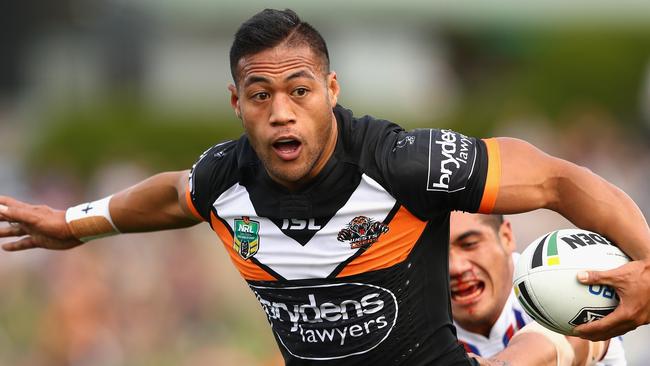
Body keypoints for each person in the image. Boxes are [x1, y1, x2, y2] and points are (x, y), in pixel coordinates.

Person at [0, 8, 649, 365]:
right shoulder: (224, 180)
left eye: (300, 91)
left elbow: (559, 179)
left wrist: (649, 265)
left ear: (331, 92)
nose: (281, 111)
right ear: (236, 102)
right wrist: (74, 222)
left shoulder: (403, 164)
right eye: (260, 95)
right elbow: (172, 195)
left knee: (547, 350)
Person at [449, 211, 626, 365]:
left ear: (506, 237)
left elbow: (570, 341)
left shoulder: (563, 274)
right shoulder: (422, 323)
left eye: (470, 244)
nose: (456, 267)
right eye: (439, 254)